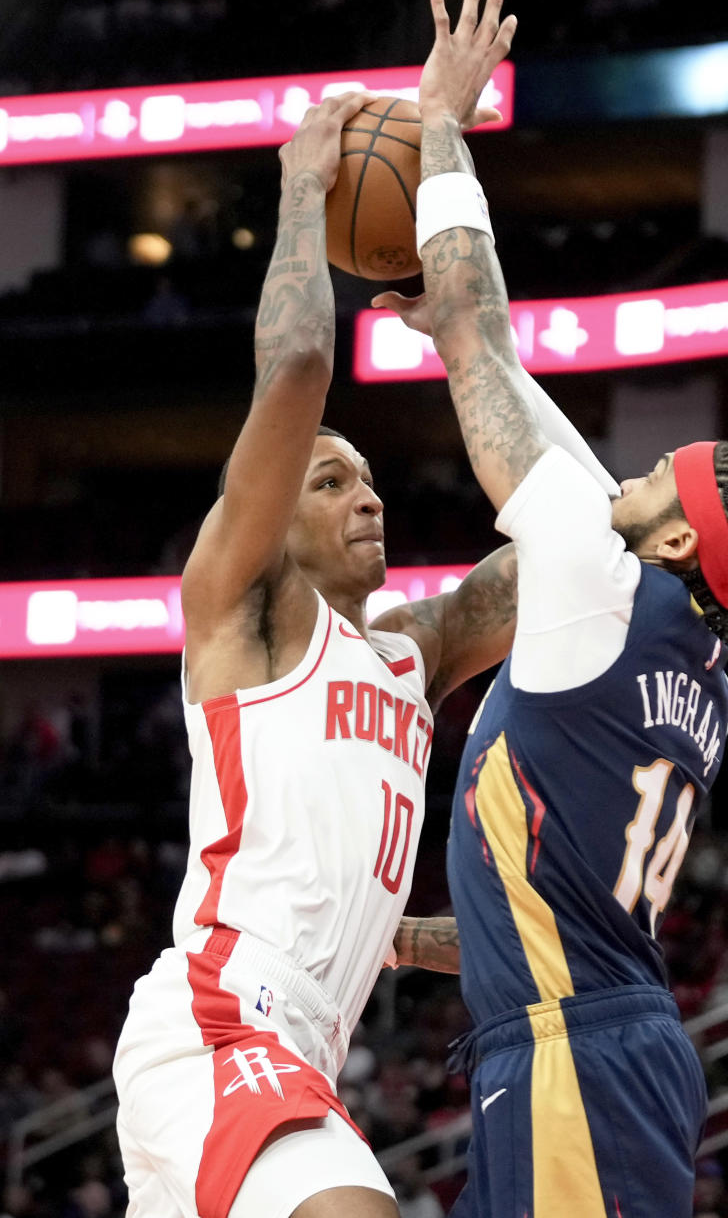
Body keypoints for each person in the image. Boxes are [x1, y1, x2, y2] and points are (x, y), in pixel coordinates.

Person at [112, 84, 618, 1218]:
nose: (366, 495)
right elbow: (296, 367)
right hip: (219, 1026)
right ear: (271, 513)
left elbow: (589, 528)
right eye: (331, 479)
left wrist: (470, 343)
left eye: (372, 480)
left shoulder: (410, 651)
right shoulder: (240, 606)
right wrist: (301, 185)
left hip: (289, 1049)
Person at [378, 0, 728, 1216]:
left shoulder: (602, 593)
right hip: (585, 1040)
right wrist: (405, 940)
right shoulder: (671, 642)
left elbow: (479, 330)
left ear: (673, 531)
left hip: (579, 1062)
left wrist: (441, 128)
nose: (633, 466)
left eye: (661, 471)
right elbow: (569, 921)